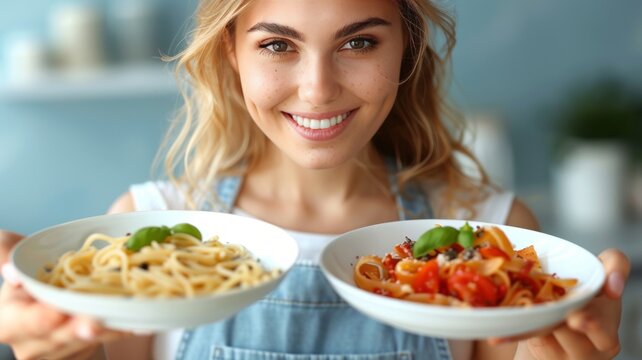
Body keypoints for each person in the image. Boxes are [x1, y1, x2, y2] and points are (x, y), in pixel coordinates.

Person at [0, 0, 630, 359]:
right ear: (232, 55)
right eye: (278, 46)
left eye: (359, 45)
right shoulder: (149, 226)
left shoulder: (499, 234)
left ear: (405, 52)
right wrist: (54, 350)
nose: (318, 90)